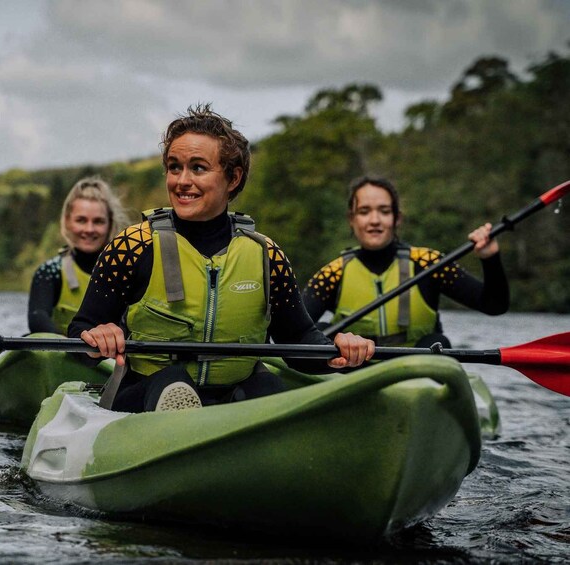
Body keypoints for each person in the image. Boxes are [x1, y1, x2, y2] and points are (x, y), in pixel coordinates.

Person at [69, 104, 374, 414]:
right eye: (175, 168)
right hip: (146, 395)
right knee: (173, 382)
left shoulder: (267, 255)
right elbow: (80, 330)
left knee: (267, 386)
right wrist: (96, 336)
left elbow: (296, 339)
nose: (182, 181)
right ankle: (178, 423)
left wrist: (336, 350)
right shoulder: (132, 247)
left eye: (198, 168)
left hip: (232, 399)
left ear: (233, 178)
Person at [303, 176, 509, 349]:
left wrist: (490, 258)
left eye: (384, 211)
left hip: (414, 374)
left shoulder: (428, 263)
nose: (374, 220)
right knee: (318, 332)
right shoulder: (333, 273)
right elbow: (293, 330)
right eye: (364, 212)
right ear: (352, 219)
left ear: (397, 218)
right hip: (350, 372)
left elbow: (494, 305)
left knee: (438, 342)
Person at [27, 176, 131, 334]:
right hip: (59, 355)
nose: (89, 229)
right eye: (81, 220)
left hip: (109, 357)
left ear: (110, 224)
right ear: (68, 221)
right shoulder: (50, 272)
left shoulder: (127, 274)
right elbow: (37, 319)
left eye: (98, 221)